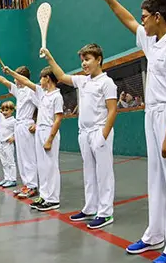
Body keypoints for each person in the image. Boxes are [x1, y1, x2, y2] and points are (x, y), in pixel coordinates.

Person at [96, 0, 166, 263]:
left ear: (158, 17)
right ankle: (155, 234)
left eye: (145, 16)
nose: (141, 21)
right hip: (152, 115)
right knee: (156, 178)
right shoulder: (152, 41)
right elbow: (126, 19)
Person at [42, 43, 117, 229]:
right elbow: (60, 76)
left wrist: (103, 135)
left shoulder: (107, 83)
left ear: (98, 59)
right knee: (89, 173)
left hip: (100, 132)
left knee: (104, 173)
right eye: (82, 60)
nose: (84, 63)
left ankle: (106, 213)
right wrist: (49, 56)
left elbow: (113, 110)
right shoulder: (83, 81)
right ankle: (90, 208)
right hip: (84, 134)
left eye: (87, 59)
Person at [5, 66, 63, 211]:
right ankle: (44, 196)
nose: (39, 81)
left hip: (49, 133)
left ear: (47, 79)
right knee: (43, 167)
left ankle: (53, 199)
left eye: (41, 78)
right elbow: (25, 82)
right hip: (40, 133)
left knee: (50, 167)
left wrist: (50, 139)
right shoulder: (43, 94)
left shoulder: (57, 96)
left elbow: (58, 119)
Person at [0, 66, 39, 199]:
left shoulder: (32, 91)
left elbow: (41, 106)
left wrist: (36, 123)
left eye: (16, 77)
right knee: (21, 158)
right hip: (19, 125)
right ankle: (26, 184)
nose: (14, 80)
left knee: (28, 158)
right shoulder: (19, 91)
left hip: (27, 125)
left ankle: (32, 186)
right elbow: (3, 80)